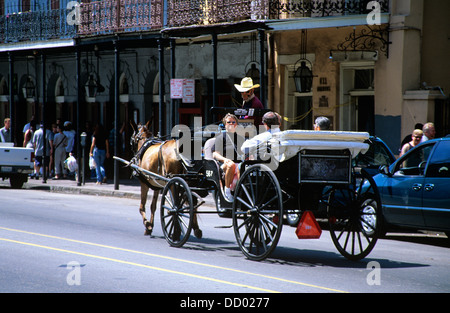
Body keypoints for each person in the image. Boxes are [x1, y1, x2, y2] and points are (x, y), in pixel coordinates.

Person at [212, 113, 245, 201]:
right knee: (231, 164)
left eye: (233, 122)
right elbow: (215, 154)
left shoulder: (240, 138)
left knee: (242, 167)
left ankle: (239, 191)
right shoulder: (220, 137)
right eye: (228, 122)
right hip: (225, 164)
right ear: (225, 124)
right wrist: (225, 159)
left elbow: (245, 152)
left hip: (239, 163)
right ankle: (227, 191)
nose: (231, 124)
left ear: (236, 125)